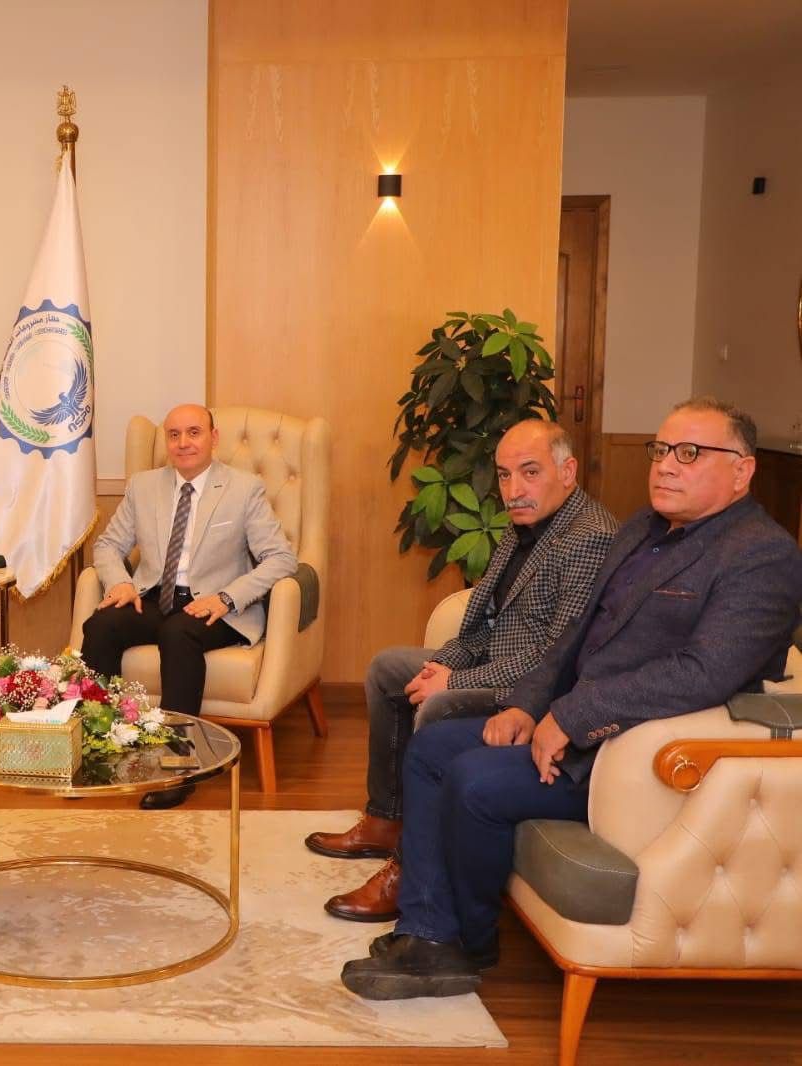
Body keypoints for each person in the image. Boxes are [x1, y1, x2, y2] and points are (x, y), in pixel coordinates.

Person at [341, 397, 802, 1000]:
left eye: (690, 453)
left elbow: (702, 673)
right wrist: (526, 705)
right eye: (661, 449)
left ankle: (466, 943)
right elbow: (574, 636)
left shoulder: (761, 555)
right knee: (432, 750)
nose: (666, 465)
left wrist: (573, 716)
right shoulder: (642, 529)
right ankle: (429, 932)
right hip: (576, 727)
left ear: (742, 470)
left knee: (474, 781)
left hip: (634, 757)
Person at [306, 420, 617, 921]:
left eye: (530, 472)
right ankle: (386, 818)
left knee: (442, 705)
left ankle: (408, 868)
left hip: (532, 689)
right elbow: (483, 624)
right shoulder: (523, 523)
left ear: (568, 471)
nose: (514, 490)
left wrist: (454, 682)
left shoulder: (589, 538)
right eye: (505, 475)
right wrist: (443, 663)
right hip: (491, 664)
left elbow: (557, 655)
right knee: (389, 669)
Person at [82, 403, 297, 809]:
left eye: (194, 433)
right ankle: (99, 747)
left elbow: (281, 558)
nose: (183, 443)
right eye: (174, 434)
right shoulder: (143, 486)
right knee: (101, 625)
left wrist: (228, 597)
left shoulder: (243, 488)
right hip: (157, 596)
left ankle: (177, 767)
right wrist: (121, 583)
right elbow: (108, 545)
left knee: (178, 633)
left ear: (213, 438)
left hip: (218, 606)